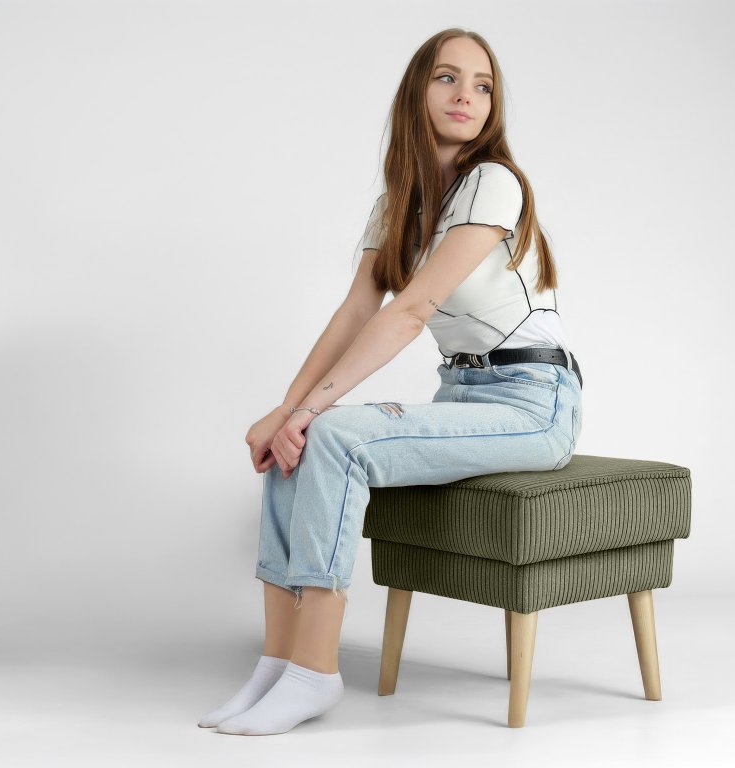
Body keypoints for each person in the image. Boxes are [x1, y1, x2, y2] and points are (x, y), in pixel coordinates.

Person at [198, 27, 583, 736]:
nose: (467, 95)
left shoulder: (493, 182)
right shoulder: (399, 201)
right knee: (297, 443)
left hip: (534, 404)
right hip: (462, 395)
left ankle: (314, 672)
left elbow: (410, 311)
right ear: (417, 91)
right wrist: (287, 410)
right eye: (447, 78)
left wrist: (310, 411)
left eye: (483, 85)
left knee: (332, 435)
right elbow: (356, 311)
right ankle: (278, 661)